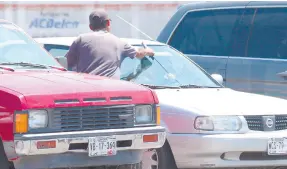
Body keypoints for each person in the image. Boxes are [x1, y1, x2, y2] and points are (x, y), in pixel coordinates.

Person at [65, 8, 155, 79]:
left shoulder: (80, 40)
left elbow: (67, 62)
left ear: (90, 27)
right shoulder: (119, 42)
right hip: (111, 90)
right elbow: (139, 54)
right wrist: (148, 51)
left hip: (86, 89)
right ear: (108, 23)